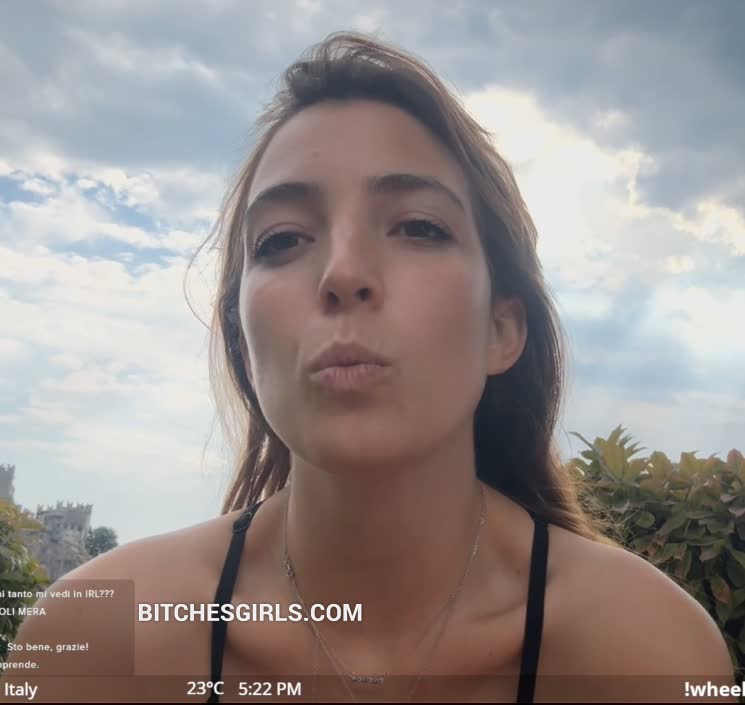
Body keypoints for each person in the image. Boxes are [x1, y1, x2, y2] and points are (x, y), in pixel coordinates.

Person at [9, 30, 734, 703]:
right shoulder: (93, 647)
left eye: (418, 226)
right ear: (243, 337)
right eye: (282, 239)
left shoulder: (648, 653)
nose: (344, 273)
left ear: (501, 328)